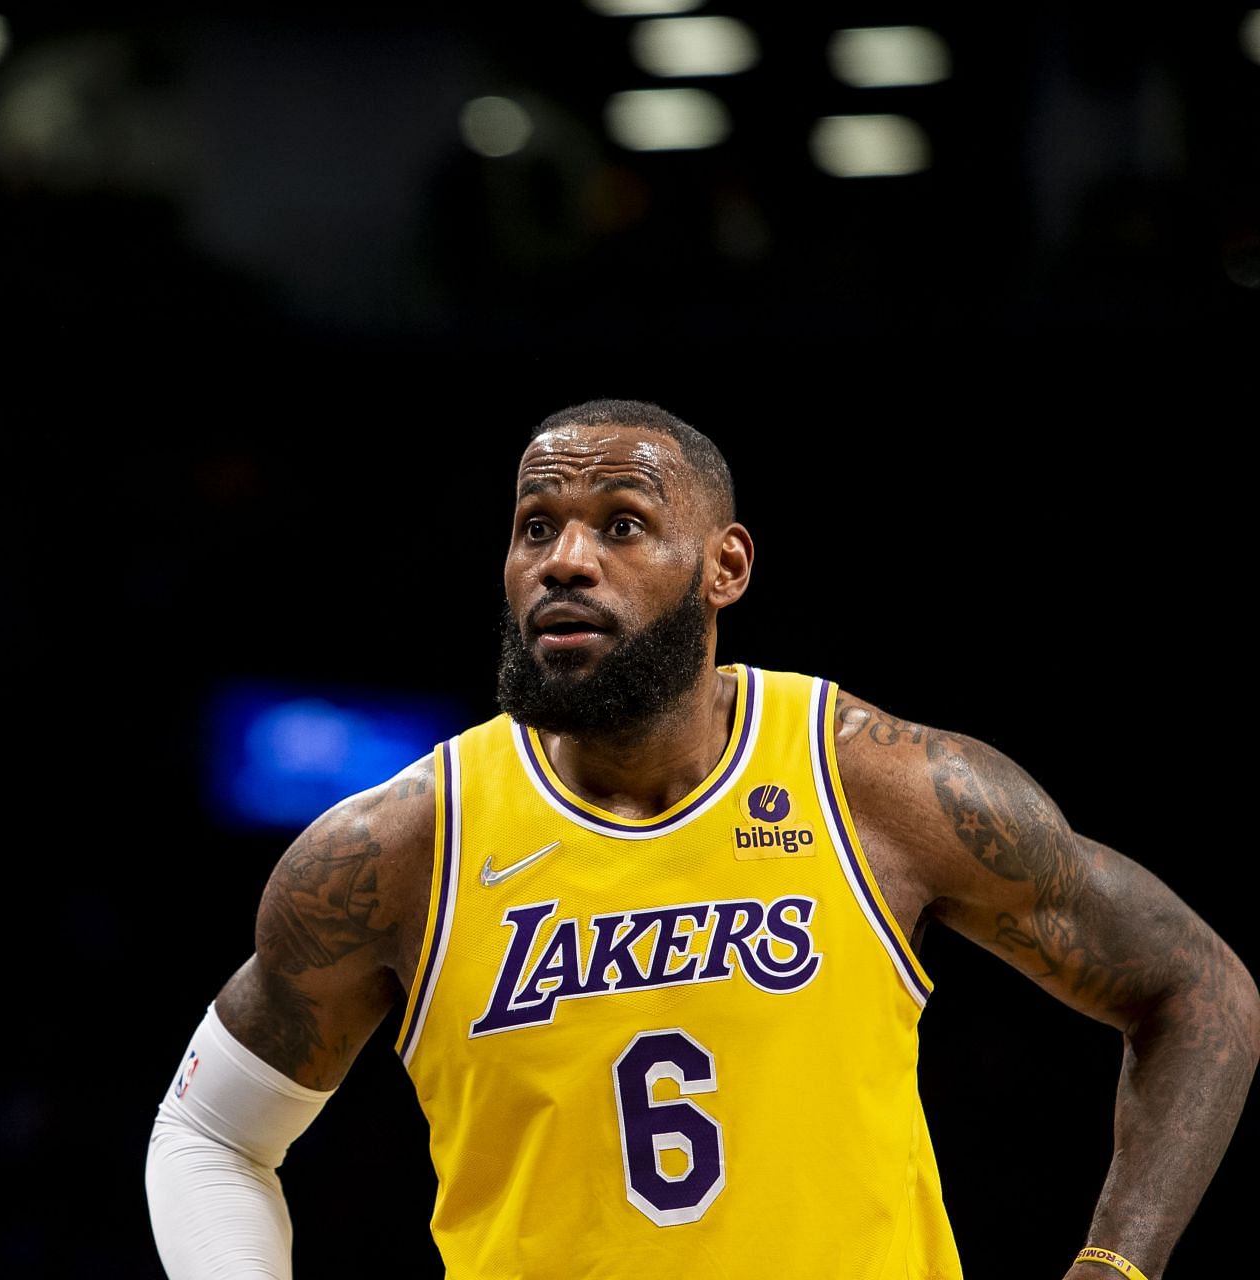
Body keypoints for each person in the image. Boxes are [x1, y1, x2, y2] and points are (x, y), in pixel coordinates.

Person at [143, 398, 1259, 1280]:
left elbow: (1199, 988)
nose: (565, 561)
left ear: (725, 565)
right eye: (537, 528)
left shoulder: (876, 783)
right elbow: (206, 1133)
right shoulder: (399, 847)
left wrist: (1114, 1264)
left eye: (621, 524)